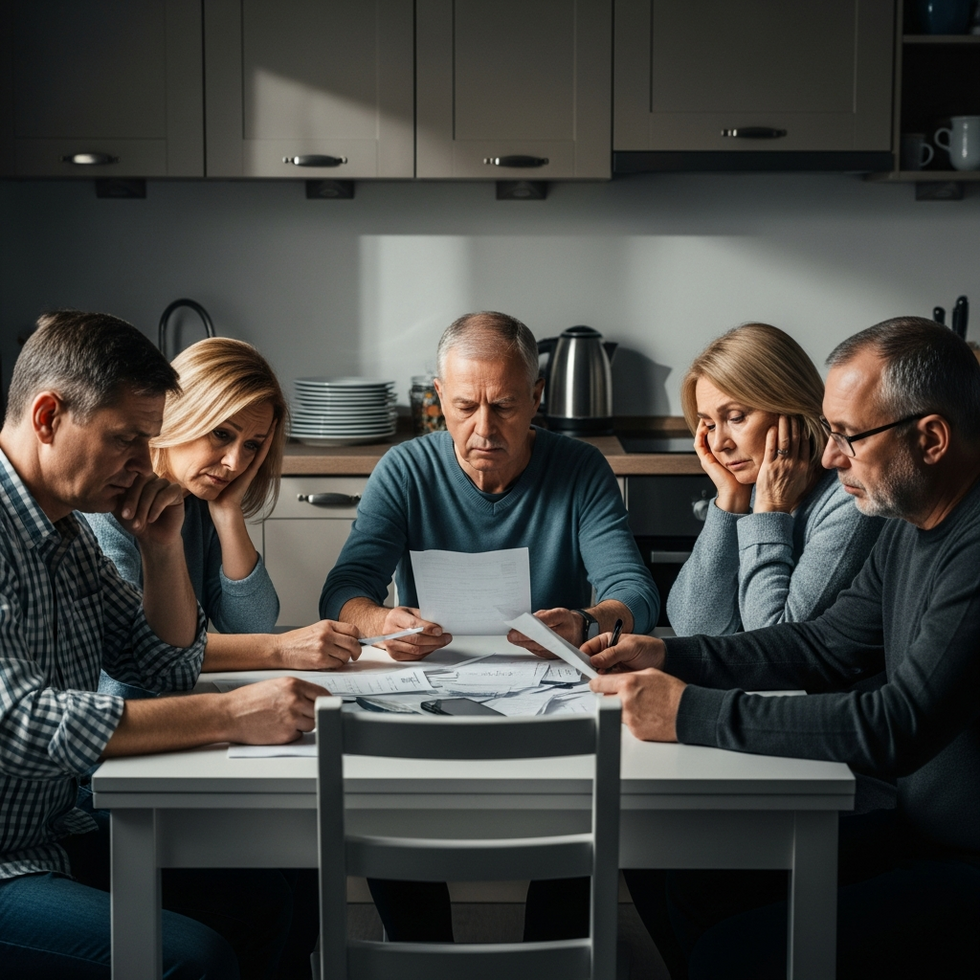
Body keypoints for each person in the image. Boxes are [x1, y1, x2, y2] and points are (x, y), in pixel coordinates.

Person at [586, 317, 980, 980]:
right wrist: (665, 655)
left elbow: (898, 726)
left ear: (931, 439)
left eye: (849, 436)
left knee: (731, 953)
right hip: (919, 830)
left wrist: (689, 712)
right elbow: (824, 644)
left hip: (961, 858)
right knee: (678, 870)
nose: (830, 456)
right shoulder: (910, 516)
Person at [0, 311, 332, 979]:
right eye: (126, 440)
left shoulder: (69, 532)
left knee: (267, 894)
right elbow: (18, 722)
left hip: (55, 833)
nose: (139, 464)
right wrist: (232, 713)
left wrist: (160, 547)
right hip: (8, 861)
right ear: (47, 418)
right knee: (194, 959)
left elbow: (166, 663)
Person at [320, 310, 659, 943]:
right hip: (428, 687)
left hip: (548, 691)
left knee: (584, 803)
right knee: (384, 798)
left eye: (503, 406)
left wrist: (586, 619)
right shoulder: (405, 468)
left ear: (536, 398)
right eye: (464, 406)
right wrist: (382, 622)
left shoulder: (580, 468)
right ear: (438, 401)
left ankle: (554, 953)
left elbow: (634, 591)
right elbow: (344, 589)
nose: (482, 430)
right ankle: (422, 952)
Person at [85, 337, 360, 681]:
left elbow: (250, 624)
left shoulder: (199, 504)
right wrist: (281, 648)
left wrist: (229, 514)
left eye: (251, 446)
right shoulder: (108, 507)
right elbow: (142, 647)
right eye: (221, 434)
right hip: (129, 719)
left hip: (183, 702)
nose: (234, 462)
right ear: (180, 415)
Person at [667, 322, 884, 635]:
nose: (719, 444)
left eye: (736, 417)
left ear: (790, 407)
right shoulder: (753, 486)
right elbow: (693, 626)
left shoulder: (849, 500)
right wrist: (729, 501)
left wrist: (770, 511)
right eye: (710, 425)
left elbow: (771, 639)